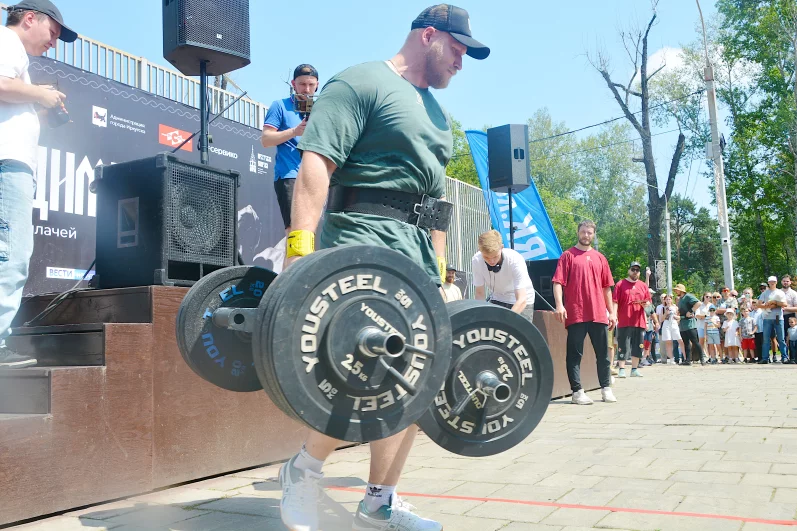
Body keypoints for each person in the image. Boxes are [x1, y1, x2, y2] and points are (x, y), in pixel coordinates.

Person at [277, 5, 490, 531]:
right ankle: (303, 471)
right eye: (458, 48)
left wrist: (440, 278)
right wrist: (300, 254)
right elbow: (315, 165)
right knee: (363, 376)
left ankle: (379, 499)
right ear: (428, 35)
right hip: (359, 245)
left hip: (415, 260)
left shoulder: (439, 116)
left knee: (417, 379)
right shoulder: (360, 83)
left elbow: (437, 207)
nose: (462, 60)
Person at [0, 0, 76, 368]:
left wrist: (40, 107)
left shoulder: (18, 59)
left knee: (10, 255)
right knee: (10, 257)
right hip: (7, 167)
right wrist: (42, 95)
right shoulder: (6, 41)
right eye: (53, 33)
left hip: (11, 166)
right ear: (30, 19)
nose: (54, 43)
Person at [552, 220, 617, 405]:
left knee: (603, 354)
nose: (586, 235)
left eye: (589, 232)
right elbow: (558, 282)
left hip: (598, 313)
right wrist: (559, 305)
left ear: (594, 234)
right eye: (583, 232)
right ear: (578, 232)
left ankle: (606, 389)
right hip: (576, 313)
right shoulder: (567, 256)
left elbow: (607, 288)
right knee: (574, 354)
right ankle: (577, 392)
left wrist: (611, 312)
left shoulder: (600, 258)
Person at [260, 64, 320, 234]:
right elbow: (266, 140)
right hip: (290, 176)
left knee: (311, 233)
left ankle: (305, 261)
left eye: (311, 85)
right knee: (296, 232)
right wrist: (295, 131)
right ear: (293, 84)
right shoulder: (279, 106)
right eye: (302, 84)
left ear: (317, 85)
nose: (306, 89)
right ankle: (296, 262)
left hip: (316, 179)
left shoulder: (322, 110)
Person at [472, 230, 535, 321]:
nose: (491, 261)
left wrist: (506, 322)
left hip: (521, 301)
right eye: (486, 257)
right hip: (497, 297)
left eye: (495, 256)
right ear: (480, 251)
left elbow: (521, 299)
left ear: (501, 247)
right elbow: (479, 293)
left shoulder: (515, 259)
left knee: (518, 333)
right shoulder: (477, 260)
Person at [613, 261, 651, 378]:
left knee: (638, 345)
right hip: (624, 321)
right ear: (628, 270)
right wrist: (614, 315)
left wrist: (646, 306)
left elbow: (648, 302)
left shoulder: (643, 286)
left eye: (637, 270)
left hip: (639, 321)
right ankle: (622, 369)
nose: (635, 272)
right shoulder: (620, 284)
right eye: (633, 269)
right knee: (623, 345)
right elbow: (615, 302)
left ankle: (634, 369)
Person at [757, 275, 788, 364]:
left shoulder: (780, 292)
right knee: (766, 339)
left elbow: (785, 304)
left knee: (781, 338)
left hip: (778, 317)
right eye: (770, 281)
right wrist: (767, 305)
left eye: (773, 281)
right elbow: (759, 304)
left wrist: (775, 303)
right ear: (768, 282)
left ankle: (784, 357)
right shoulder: (765, 293)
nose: (772, 283)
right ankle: (765, 358)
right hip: (767, 317)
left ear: (776, 282)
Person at [674, 283, 704, 365]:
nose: (676, 291)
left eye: (677, 290)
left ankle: (702, 359)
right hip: (683, 324)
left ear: (681, 290)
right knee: (686, 343)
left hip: (690, 323)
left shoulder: (688, 296)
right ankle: (688, 360)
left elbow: (698, 303)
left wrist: (691, 311)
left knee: (695, 342)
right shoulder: (680, 299)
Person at [660, 293, 684, 364]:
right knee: (668, 341)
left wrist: (676, 319)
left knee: (679, 340)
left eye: (669, 299)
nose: (668, 300)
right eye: (666, 299)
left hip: (674, 324)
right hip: (666, 324)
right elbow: (661, 319)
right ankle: (671, 358)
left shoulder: (675, 307)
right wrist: (666, 313)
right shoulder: (663, 308)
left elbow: (679, 317)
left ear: (671, 300)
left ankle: (684, 356)